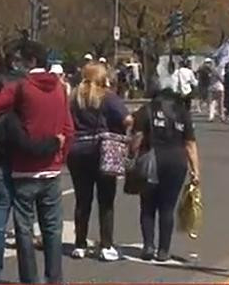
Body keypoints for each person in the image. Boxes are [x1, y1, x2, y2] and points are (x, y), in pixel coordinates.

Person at [0, 40, 74, 284]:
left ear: (30, 61)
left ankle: (29, 279)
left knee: (24, 229)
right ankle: (55, 278)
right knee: (52, 230)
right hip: (51, 169)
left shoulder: (22, 87)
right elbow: (68, 128)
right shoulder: (60, 88)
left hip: (24, 169)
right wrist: (60, 157)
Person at [67, 63, 131, 262]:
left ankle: (79, 244)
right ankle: (106, 245)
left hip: (77, 149)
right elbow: (127, 119)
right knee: (106, 200)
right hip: (103, 149)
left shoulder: (74, 97)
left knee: (82, 199)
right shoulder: (108, 96)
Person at [132, 87, 200, 263]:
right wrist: (195, 171)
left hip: (151, 161)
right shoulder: (182, 113)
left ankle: (148, 246)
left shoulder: (145, 111)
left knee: (147, 205)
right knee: (167, 207)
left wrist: (132, 155)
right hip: (177, 162)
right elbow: (190, 144)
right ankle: (163, 250)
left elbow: (137, 137)